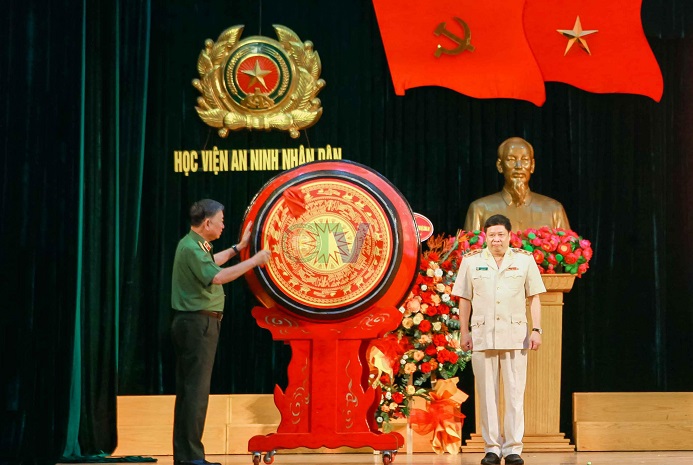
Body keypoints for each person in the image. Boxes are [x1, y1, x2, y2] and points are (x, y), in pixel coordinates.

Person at [171, 199, 271, 465]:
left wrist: (239, 248)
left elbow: (212, 264)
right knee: (195, 393)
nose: (223, 225)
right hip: (197, 324)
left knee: (190, 392)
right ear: (207, 223)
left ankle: (186, 456)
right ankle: (191, 458)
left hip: (194, 324)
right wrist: (255, 261)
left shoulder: (194, 246)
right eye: (221, 221)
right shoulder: (191, 247)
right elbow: (218, 276)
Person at [452, 214, 546, 465]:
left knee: (514, 394)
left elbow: (534, 297)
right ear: (485, 236)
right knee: (487, 395)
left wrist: (537, 329)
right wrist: (464, 332)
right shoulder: (471, 261)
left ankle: (513, 448)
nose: (496, 239)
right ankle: (492, 448)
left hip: (515, 336)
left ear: (509, 235)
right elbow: (464, 299)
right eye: (492, 235)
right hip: (483, 336)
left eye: (501, 234)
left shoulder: (524, 260)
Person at [464, 137, 570, 232]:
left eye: (525, 160)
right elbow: (469, 247)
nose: (518, 166)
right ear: (500, 166)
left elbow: (568, 246)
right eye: (511, 159)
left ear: (532, 165)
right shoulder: (479, 209)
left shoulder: (554, 209)